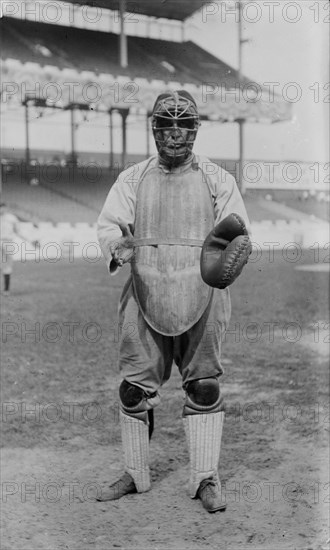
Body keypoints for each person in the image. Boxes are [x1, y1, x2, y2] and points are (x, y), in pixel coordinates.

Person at [97, 90, 251, 512]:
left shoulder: (219, 179)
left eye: (184, 124)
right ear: (154, 129)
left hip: (203, 293)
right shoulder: (132, 179)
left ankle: (205, 479)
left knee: (203, 385)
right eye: (166, 124)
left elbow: (236, 233)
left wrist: (233, 255)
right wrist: (118, 245)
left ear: (196, 130)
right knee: (133, 390)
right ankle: (135, 473)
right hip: (144, 288)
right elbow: (110, 225)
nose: (175, 133)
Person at [0, 202, 31, 295]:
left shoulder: (11, 218)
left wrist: (29, 240)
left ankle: (6, 290)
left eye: (4, 208)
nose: (2, 210)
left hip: (8, 242)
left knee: (7, 265)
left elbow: (18, 231)